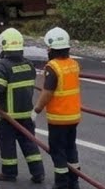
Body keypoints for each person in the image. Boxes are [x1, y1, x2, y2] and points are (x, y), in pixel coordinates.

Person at [0, 28, 46, 183]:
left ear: (4, 46)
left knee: (7, 145)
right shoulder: (29, 65)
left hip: (8, 116)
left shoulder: (3, 65)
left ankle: (9, 173)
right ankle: (38, 173)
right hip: (26, 114)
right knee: (29, 143)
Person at [34, 27, 81, 189]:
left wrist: (36, 110)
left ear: (52, 48)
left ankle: (61, 184)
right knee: (71, 149)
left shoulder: (52, 67)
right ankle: (74, 182)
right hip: (73, 116)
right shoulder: (74, 64)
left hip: (58, 118)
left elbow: (47, 92)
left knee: (58, 151)